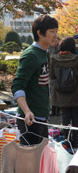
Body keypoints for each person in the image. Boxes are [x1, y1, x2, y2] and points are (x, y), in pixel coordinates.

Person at [11, 14, 58, 145]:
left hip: (41, 117)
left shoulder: (45, 53)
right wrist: (27, 111)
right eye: (52, 32)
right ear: (40, 33)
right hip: (30, 120)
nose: (56, 35)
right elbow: (17, 86)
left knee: (41, 161)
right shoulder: (31, 55)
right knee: (29, 162)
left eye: (56, 31)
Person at [50, 37, 78, 148]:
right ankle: (75, 141)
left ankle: (66, 140)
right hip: (75, 92)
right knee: (75, 118)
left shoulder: (54, 59)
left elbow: (52, 76)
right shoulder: (77, 60)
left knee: (65, 117)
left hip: (61, 92)